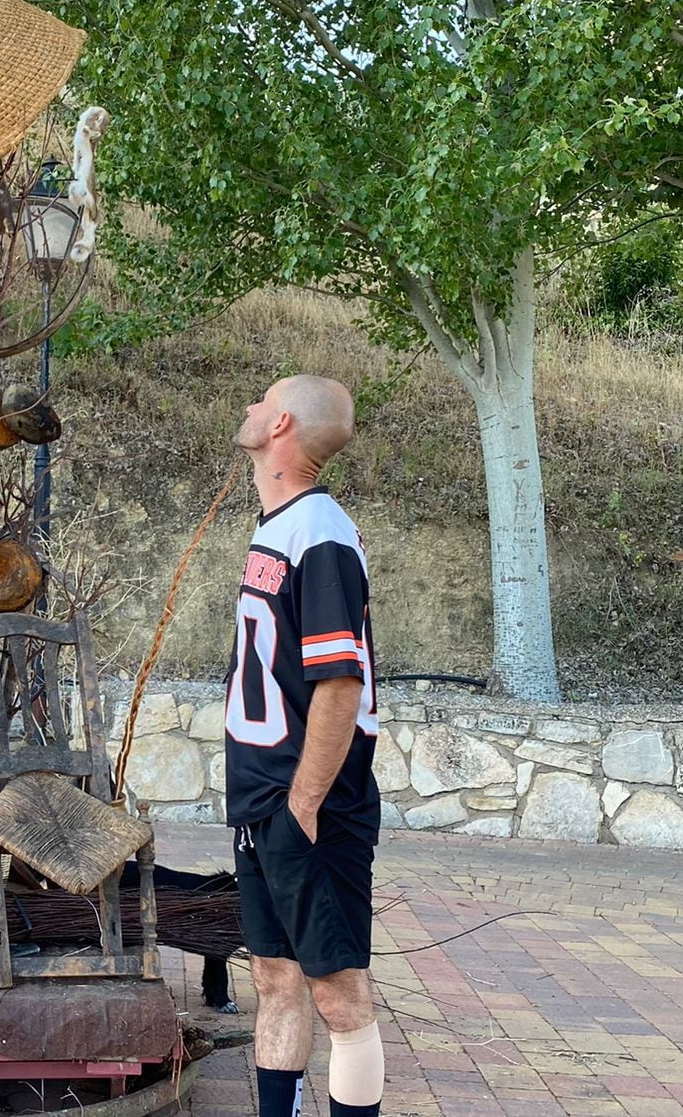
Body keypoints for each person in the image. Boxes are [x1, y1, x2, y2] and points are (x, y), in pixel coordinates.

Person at [223, 375, 384, 1117]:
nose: (249, 408)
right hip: (266, 801)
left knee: (339, 994)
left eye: (260, 399)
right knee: (276, 979)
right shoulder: (282, 525)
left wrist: (304, 805)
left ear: (280, 423)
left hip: (307, 804)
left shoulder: (320, 533)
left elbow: (340, 685)